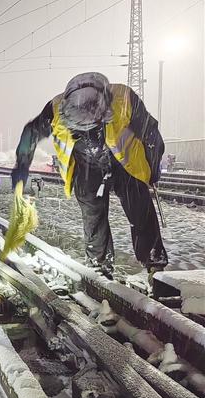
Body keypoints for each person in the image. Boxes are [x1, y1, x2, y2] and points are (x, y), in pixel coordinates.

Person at [11, 72, 167, 282]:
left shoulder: (124, 98)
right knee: (93, 218)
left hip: (125, 164)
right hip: (86, 166)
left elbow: (152, 135)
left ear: (104, 114)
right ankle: (99, 266)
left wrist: (152, 168)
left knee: (141, 210)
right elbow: (31, 133)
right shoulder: (55, 108)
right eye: (78, 131)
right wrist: (21, 166)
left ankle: (155, 264)